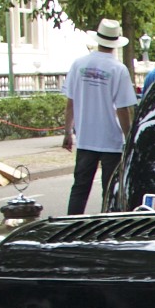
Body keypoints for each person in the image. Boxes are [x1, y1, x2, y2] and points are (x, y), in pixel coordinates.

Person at [62, 17, 137, 215]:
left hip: (86, 137)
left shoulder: (78, 64)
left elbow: (71, 102)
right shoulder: (118, 69)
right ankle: (107, 226)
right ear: (115, 43)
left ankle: (72, 225)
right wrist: (129, 136)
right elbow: (122, 109)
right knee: (110, 189)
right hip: (110, 139)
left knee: (80, 187)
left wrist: (68, 131)